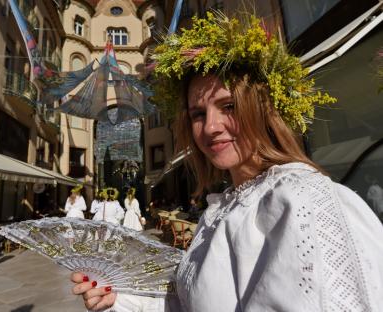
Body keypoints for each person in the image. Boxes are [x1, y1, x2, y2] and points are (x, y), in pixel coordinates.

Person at [71, 12, 383, 311]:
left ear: (263, 109)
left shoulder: (299, 200)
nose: (210, 127)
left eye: (229, 106)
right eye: (198, 114)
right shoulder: (221, 210)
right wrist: (119, 300)